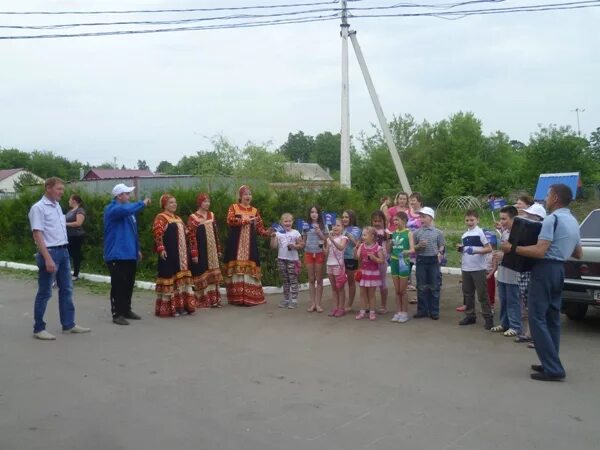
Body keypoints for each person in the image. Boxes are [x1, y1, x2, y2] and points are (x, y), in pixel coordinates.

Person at [501, 184, 582, 381]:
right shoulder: (572, 220)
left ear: (555, 197)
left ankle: (553, 368)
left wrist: (512, 248)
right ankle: (550, 362)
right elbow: (578, 253)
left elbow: (539, 251)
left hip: (544, 269)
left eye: (547, 194)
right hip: (559, 270)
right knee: (552, 318)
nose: (545, 198)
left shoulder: (551, 219)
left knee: (537, 317)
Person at [28, 177, 90, 340]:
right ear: (48, 188)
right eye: (59, 189)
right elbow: (37, 234)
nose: (62, 192)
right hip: (50, 252)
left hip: (63, 251)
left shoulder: (57, 206)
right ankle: (39, 328)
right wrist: (47, 258)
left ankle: (68, 324)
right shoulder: (39, 208)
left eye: (63, 189)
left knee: (67, 289)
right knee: (45, 291)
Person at [104, 183, 150, 325]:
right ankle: (117, 314)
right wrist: (142, 203)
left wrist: (137, 249)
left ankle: (126, 310)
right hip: (116, 254)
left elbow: (133, 232)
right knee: (118, 285)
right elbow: (127, 209)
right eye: (127, 194)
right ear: (119, 196)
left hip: (130, 253)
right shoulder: (112, 209)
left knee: (129, 284)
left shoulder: (129, 213)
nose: (129, 196)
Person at [223, 185, 272, 306]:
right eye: (245, 194)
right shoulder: (233, 207)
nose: (248, 196)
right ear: (240, 196)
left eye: (250, 194)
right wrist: (244, 221)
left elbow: (260, 228)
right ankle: (237, 298)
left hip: (250, 245)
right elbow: (229, 220)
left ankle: (251, 298)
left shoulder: (254, 211)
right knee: (236, 268)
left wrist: (268, 233)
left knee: (251, 267)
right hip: (236, 244)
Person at [153, 194, 196, 317]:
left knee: (182, 280)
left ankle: (182, 306)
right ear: (164, 205)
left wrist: (191, 230)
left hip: (181, 255)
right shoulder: (161, 218)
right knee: (171, 277)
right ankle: (170, 308)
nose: (174, 204)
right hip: (170, 253)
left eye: (175, 202)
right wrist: (161, 248)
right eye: (171, 202)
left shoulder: (178, 218)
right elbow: (157, 233)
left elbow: (186, 233)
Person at [514, 203, 546, 344]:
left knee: (536, 306)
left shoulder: (541, 233)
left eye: (530, 216)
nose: (526, 217)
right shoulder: (527, 231)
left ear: (538, 218)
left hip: (535, 271)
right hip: (524, 270)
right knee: (527, 304)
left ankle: (537, 337)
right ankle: (529, 333)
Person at [457, 210, 494, 330]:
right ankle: (470, 316)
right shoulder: (464, 235)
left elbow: (489, 249)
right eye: (467, 220)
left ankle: (488, 318)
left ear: (477, 220)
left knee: (482, 294)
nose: (469, 222)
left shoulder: (480, 233)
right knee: (468, 294)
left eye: (472, 220)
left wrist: (476, 251)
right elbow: (467, 250)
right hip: (466, 268)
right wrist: (461, 249)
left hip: (478, 268)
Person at [187, 193, 224, 308]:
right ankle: (203, 299)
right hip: (201, 250)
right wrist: (194, 253)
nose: (207, 204)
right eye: (205, 201)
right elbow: (191, 236)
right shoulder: (193, 217)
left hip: (212, 250)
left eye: (208, 201)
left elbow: (216, 233)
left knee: (213, 272)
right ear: (199, 203)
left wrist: (218, 248)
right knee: (202, 271)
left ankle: (214, 299)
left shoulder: (211, 215)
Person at [489, 206, 521, 336]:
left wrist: (504, 255)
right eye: (500, 218)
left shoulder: (519, 233)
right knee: (503, 299)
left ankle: (515, 326)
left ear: (514, 218)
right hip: (502, 271)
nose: (501, 221)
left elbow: (520, 252)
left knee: (513, 300)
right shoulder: (505, 232)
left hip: (513, 272)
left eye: (504, 219)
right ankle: (504, 323)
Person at [413, 207, 445, 320]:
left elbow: (441, 245)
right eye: (420, 217)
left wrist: (440, 251)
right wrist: (418, 246)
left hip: (433, 261)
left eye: (424, 217)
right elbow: (413, 248)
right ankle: (422, 310)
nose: (421, 219)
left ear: (431, 218)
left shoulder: (438, 232)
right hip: (421, 260)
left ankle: (434, 311)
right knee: (421, 286)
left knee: (434, 286)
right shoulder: (416, 232)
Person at [271, 213, 303, 309]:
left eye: (289, 221)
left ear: (292, 222)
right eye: (285, 221)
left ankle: (294, 300)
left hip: (292, 260)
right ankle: (286, 299)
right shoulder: (278, 233)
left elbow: (301, 244)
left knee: (293, 280)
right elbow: (273, 246)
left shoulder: (296, 233)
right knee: (285, 280)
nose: (288, 223)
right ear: (281, 223)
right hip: (281, 259)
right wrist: (272, 237)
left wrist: (295, 246)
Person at [388, 211, 414, 323]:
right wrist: (389, 243)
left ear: (404, 220)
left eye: (397, 220)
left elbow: (413, 249)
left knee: (402, 290)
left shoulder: (409, 233)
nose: (395, 222)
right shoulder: (393, 233)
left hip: (404, 262)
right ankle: (398, 312)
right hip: (394, 262)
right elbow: (390, 250)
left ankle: (404, 313)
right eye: (394, 220)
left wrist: (405, 252)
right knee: (397, 290)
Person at [355, 226, 385, 320]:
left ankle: (372, 312)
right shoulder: (361, 246)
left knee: (371, 294)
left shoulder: (378, 248)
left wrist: (374, 258)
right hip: (363, 273)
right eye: (362, 235)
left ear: (372, 236)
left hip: (373, 273)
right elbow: (357, 258)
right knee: (362, 294)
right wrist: (355, 251)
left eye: (365, 235)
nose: (363, 237)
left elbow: (382, 261)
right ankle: (362, 312)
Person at [303, 205, 328, 313]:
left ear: (319, 214)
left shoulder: (323, 225)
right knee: (311, 279)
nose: (314, 214)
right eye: (312, 212)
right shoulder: (306, 225)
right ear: (309, 214)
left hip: (319, 253)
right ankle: (312, 303)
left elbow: (326, 239)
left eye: (316, 212)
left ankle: (318, 304)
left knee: (319, 279)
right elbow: (303, 241)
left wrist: (319, 232)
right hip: (308, 253)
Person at [326, 218, 348, 317]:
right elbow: (326, 253)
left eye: (338, 225)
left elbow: (341, 247)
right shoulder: (328, 239)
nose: (335, 227)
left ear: (343, 227)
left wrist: (332, 241)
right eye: (334, 225)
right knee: (334, 288)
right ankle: (335, 307)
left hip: (338, 266)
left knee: (340, 288)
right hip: (329, 265)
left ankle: (341, 308)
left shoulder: (344, 238)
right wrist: (323, 245)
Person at [341, 209, 361, 311]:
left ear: (351, 218)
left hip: (350, 258)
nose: (344, 219)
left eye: (347, 217)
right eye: (343, 217)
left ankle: (349, 304)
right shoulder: (339, 227)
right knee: (339, 281)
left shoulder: (356, 229)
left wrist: (348, 235)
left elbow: (357, 243)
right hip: (339, 258)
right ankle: (341, 303)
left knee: (350, 281)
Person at [371, 210, 389, 314]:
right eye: (375, 221)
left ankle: (383, 305)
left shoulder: (387, 233)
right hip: (370, 261)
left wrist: (389, 240)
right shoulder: (369, 231)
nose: (377, 223)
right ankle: (370, 305)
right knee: (370, 283)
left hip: (382, 261)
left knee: (382, 283)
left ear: (383, 221)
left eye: (379, 221)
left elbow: (389, 249)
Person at [406, 192, 424, 293]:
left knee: (420, 264)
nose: (411, 202)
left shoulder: (424, 213)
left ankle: (420, 284)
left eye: (414, 200)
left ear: (419, 201)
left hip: (420, 243)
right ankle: (408, 283)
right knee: (408, 263)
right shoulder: (406, 212)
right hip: (409, 242)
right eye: (410, 200)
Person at [65, 194, 86, 281]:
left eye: (70, 199)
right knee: (68, 254)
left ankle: (76, 274)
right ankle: (67, 272)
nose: (68, 201)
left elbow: (78, 223)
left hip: (77, 236)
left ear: (74, 200)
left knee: (76, 255)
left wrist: (64, 224)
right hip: (69, 236)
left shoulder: (80, 210)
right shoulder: (70, 211)